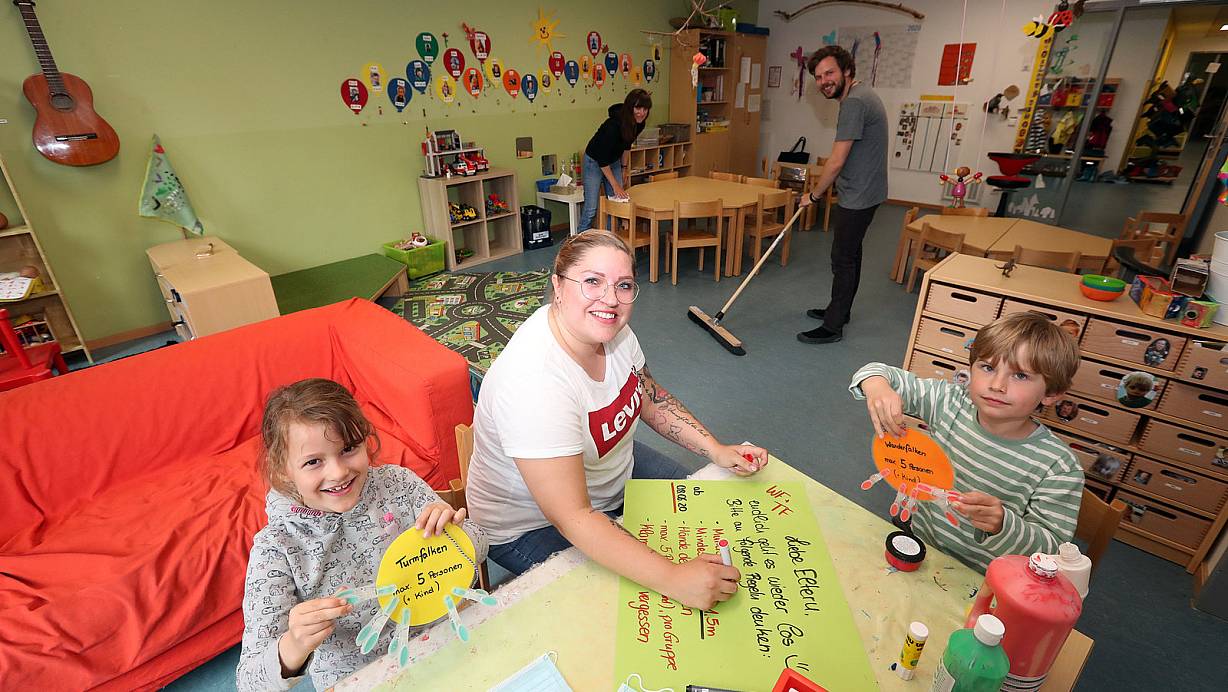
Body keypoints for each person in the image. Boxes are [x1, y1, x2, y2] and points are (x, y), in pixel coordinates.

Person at [465, 231, 768, 609]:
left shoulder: (613, 330)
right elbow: (573, 517)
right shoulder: (535, 382)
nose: (610, 299)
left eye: (623, 285)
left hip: (606, 459)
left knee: (708, 511)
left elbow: (649, 395)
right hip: (529, 525)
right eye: (592, 281)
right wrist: (673, 577)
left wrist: (715, 449)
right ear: (558, 285)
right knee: (622, 608)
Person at [236, 379, 487, 690]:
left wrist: (457, 535)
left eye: (348, 449)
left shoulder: (399, 485)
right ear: (282, 470)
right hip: (361, 679)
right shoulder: (276, 549)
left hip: (446, 642)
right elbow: (249, 682)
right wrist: (294, 646)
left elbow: (479, 544)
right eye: (313, 462)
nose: (338, 472)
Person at [849, 312, 1084, 573]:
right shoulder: (949, 402)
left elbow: (1052, 551)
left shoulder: (1059, 466)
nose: (997, 385)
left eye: (1020, 376)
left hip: (983, 576)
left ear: (1051, 393)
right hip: (920, 540)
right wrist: (878, 388)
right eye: (988, 368)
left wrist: (1003, 524)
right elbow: (873, 371)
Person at [797, 45, 889, 345]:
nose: (824, 81)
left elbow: (836, 160)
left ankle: (833, 325)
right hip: (867, 190)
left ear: (847, 70)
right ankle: (840, 311)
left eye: (830, 73)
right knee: (851, 254)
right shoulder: (861, 94)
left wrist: (814, 195)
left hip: (859, 194)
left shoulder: (854, 103)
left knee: (843, 258)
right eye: (819, 76)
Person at [578, 89, 651, 231]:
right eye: (638, 108)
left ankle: (610, 238)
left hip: (613, 161)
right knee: (591, 208)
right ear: (630, 107)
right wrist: (615, 185)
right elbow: (602, 159)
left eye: (645, 109)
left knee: (616, 204)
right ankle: (579, 239)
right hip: (595, 161)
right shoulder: (613, 126)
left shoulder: (639, 123)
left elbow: (627, 145)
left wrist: (624, 168)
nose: (641, 113)